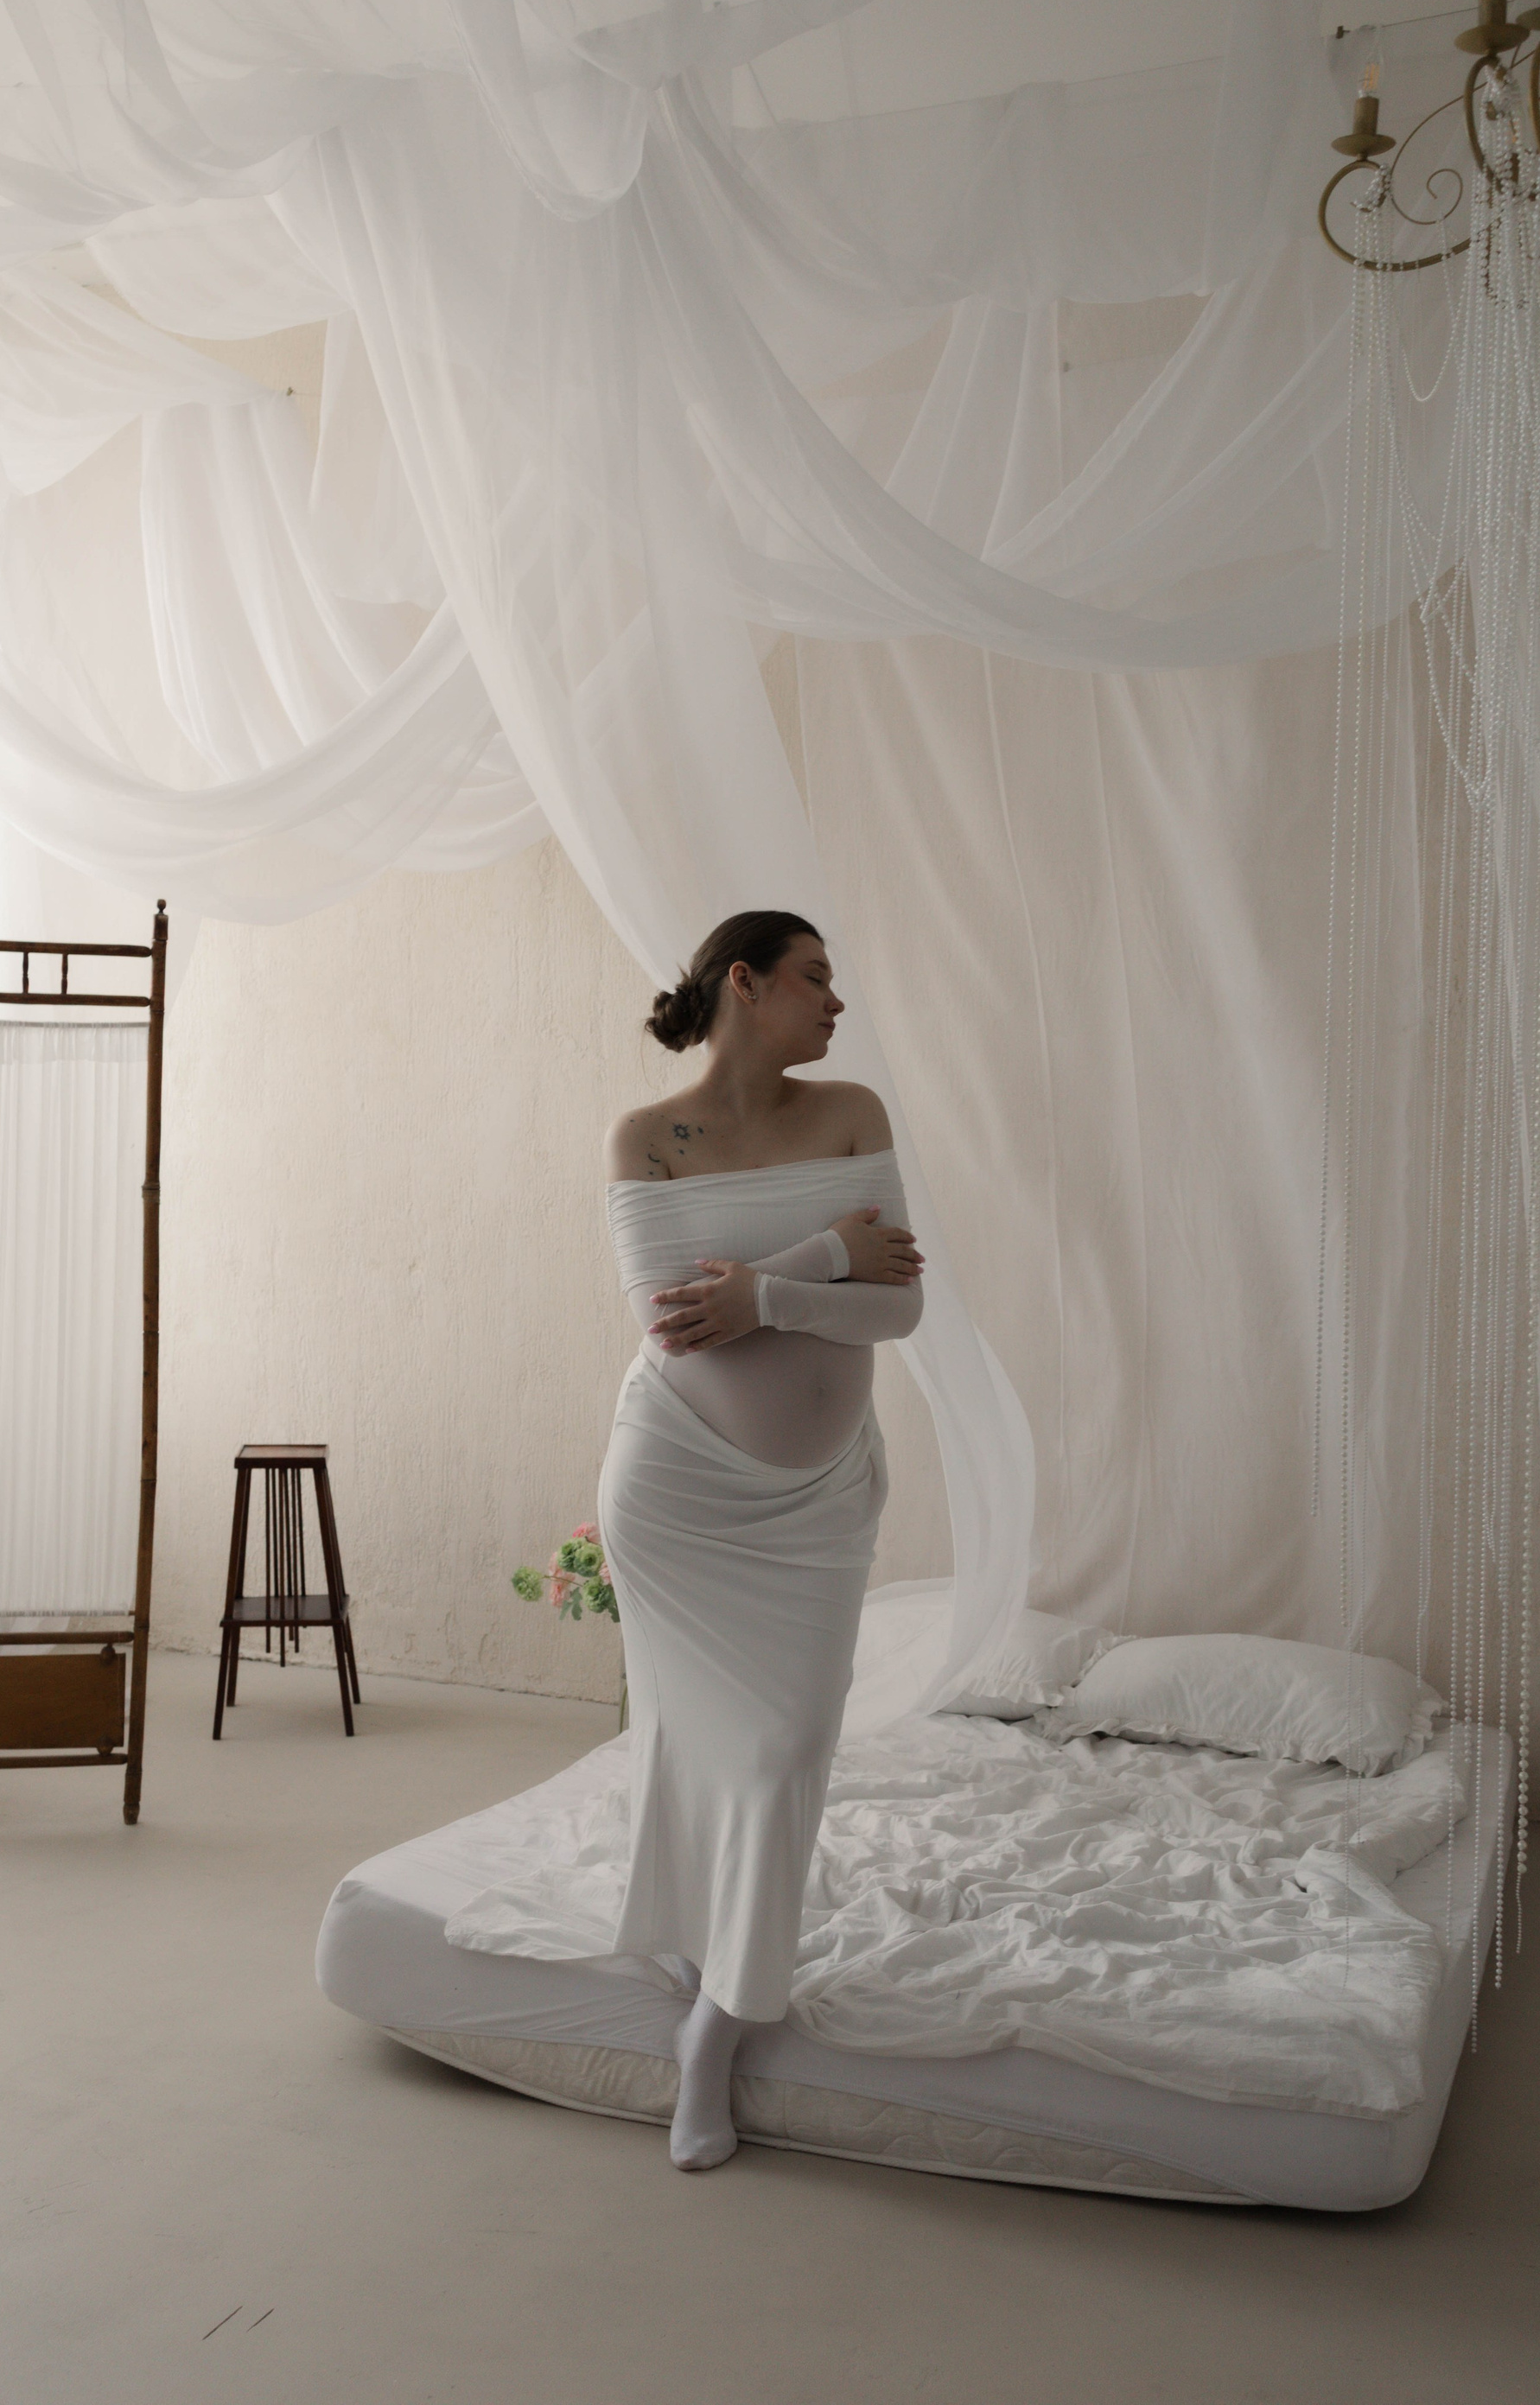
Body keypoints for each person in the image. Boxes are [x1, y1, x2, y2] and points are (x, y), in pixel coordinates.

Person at [600, 911, 925, 2169]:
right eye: (816, 977)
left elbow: (899, 1307)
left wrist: (773, 1289)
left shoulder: (851, 1114)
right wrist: (826, 1254)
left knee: (786, 1748)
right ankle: (707, 1973)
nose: (837, 1002)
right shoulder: (646, 1138)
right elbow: (676, 1322)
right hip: (678, 1493)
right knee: (692, 1736)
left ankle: (716, 2028)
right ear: (745, 981)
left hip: (819, 1504)